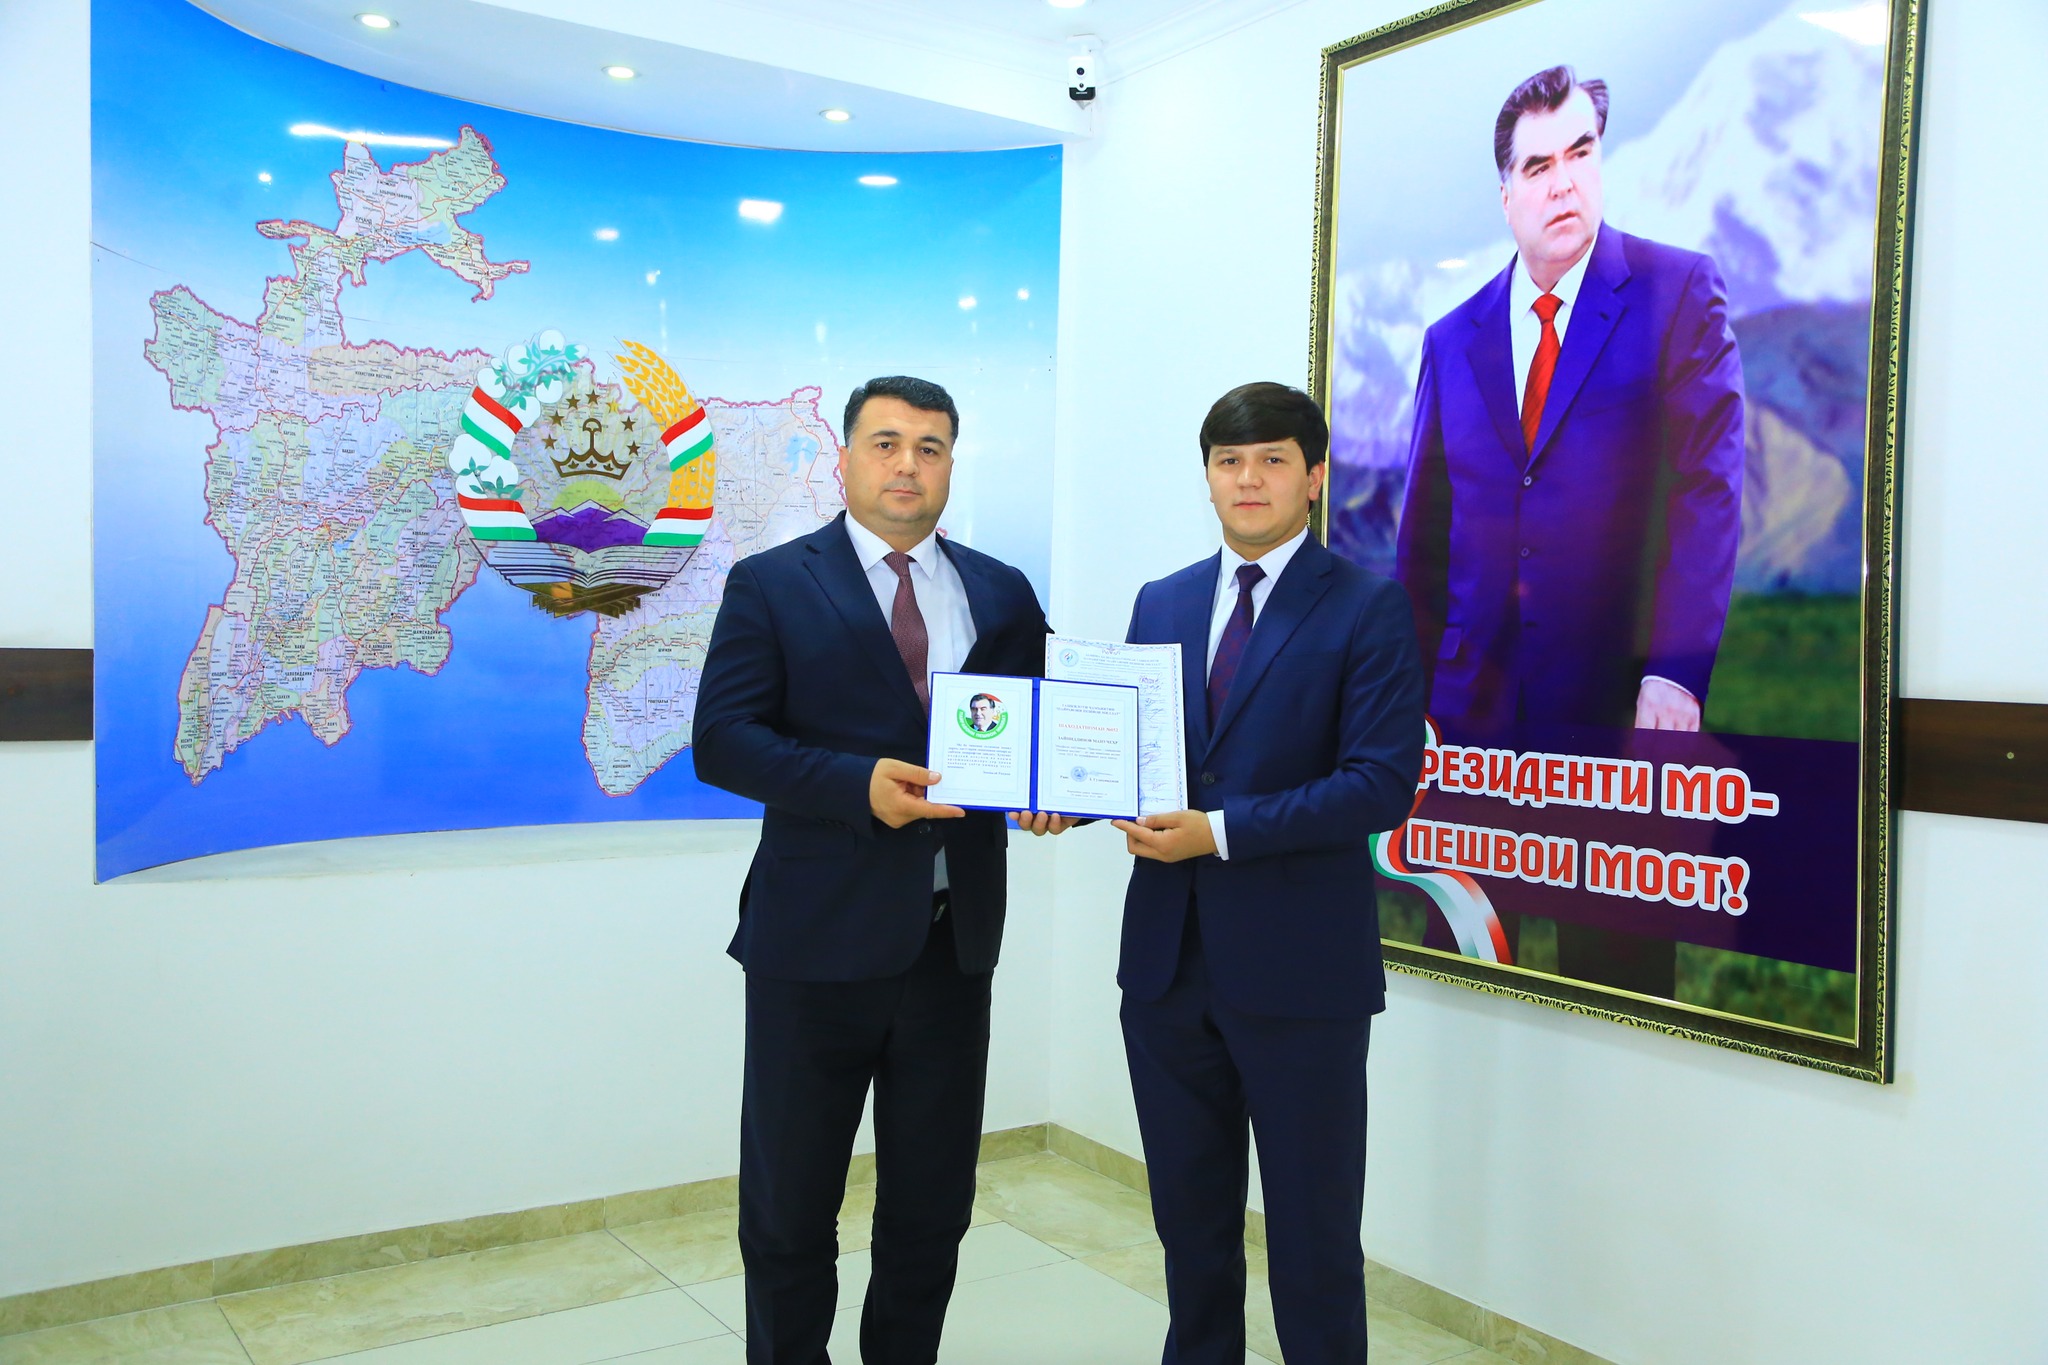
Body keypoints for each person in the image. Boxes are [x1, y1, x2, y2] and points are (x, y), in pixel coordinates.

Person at [694, 375, 1070, 1365]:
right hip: (812, 946)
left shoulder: (1000, 590)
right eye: (887, 443)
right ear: (845, 457)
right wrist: (854, 785)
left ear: (950, 465)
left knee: (931, 1208)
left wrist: (1056, 792)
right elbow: (722, 740)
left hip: (952, 946)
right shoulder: (772, 583)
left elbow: (1043, 734)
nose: (908, 464)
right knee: (789, 1211)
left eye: (930, 447)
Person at [1393, 64, 1745, 994]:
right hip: (1467, 727)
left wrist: (1675, 670)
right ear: (1505, 192)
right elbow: (1424, 539)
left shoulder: (1677, 292)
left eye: (1581, 154)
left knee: (1619, 991)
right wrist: (1403, 701)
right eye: (1539, 166)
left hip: (1617, 715)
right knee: (1460, 980)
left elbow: (1707, 494)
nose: (1564, 183)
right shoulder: (1451, 339)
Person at [1112, 383, 1425, 1365]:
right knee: (1189, 1227)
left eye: (1273, 460)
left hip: (1300, 975)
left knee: (1312, 1237)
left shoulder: (1367, 607)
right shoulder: (1160, 601)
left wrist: (1217, 832)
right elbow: (1134, 756)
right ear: (1207, 475)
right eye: (1228, 461)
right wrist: (1061, 796)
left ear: (1313, 475)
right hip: (1166, 968)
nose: (1248, 479)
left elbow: (1377, 785)